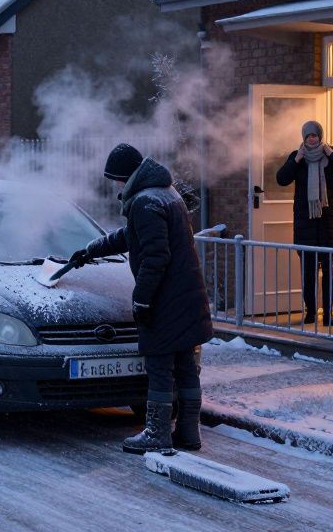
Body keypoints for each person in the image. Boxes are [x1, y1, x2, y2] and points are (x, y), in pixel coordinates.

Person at [67, 143, 212, 454]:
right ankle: (188, 433)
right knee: (185, 364)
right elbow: (130, 237)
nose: (117, 186)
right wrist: (92, 249)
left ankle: (157, 433)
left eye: (116, 180)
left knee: (160, 365)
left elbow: (156, 257)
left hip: (166, 299)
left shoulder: (145, 202)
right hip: (187, 294)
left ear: (125, 175)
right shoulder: (164, 193)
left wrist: (142, 300)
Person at [276, 121, 333, 327]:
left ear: (320, 136)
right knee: (309, 272)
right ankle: (311, 311)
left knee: (331, 272)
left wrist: (331, 155)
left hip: (330, 223)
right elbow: (282, 179)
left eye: (315, 135)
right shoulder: (297, 156)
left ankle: (328, 313)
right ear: (303, 137)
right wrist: (297, 160)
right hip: (306, 223)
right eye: (308, 135)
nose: (312, 138)